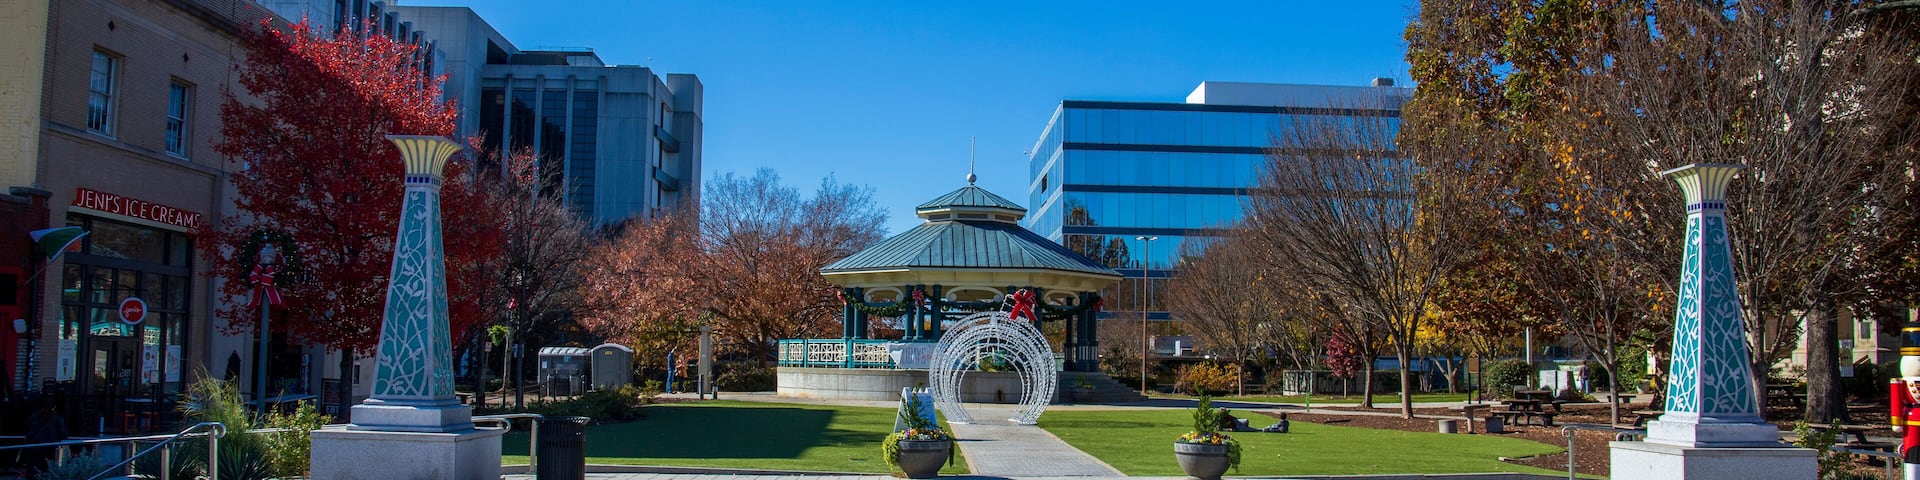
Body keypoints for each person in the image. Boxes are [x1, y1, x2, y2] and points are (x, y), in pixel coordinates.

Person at [22, 398, 68, 472]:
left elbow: (27, 431)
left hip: (34, 446)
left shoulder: (33, 417)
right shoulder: (57, 419)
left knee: (34, 469)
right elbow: (63, 434)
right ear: (54, 407)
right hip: (50, 447)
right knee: (48, 470)